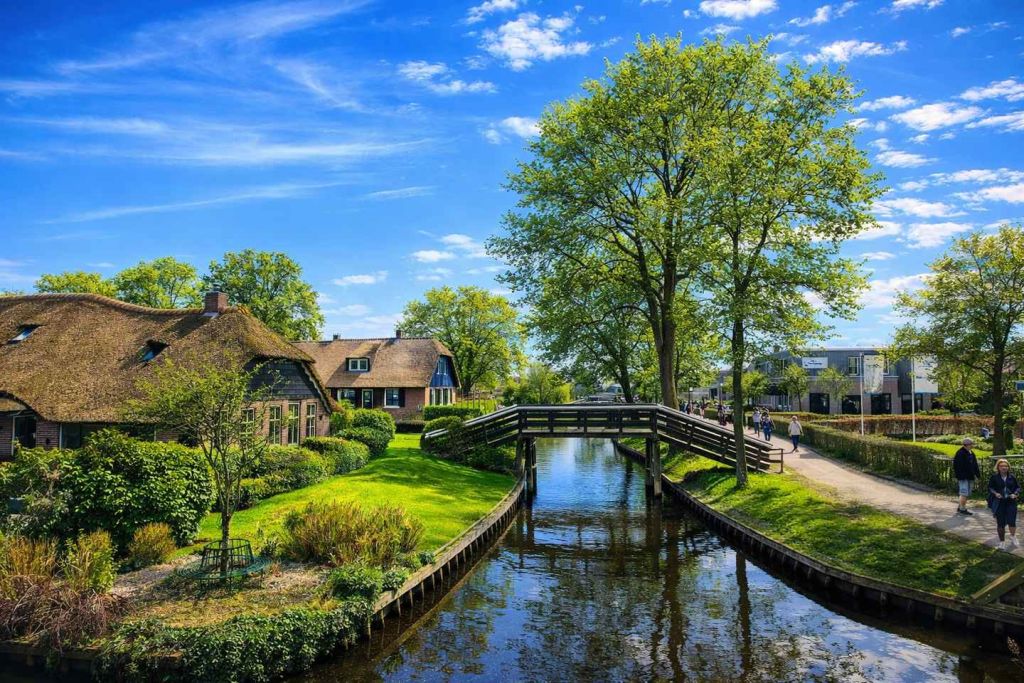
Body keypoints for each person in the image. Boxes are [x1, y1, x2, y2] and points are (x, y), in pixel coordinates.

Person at [987, 458, 1020, 550]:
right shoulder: (994, 477)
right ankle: (1002, 542)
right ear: (998, 467)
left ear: (1008, 467)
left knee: (1011, 521)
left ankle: (1013, 536)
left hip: (1011, 502)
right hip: (999, 502)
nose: (1004, 467)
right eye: (1001, 466)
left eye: (1006, 466)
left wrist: (1015, 494)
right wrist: (995, 493)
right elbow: (990, 488)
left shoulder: (1012, 477)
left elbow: (1017, 487)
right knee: (1000, 523)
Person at [953, 437, 981, 515]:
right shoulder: (960, 453)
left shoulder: (971, 452)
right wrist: (960, 476)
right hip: (963, 477)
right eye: (971, 444)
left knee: (967, 493)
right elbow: (957, 466)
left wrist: (977, 475)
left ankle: (960, 507)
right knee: (964, 493)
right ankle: (962, 509)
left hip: (970, 476)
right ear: (966, 445)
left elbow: (975, 465)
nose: (972, 445)